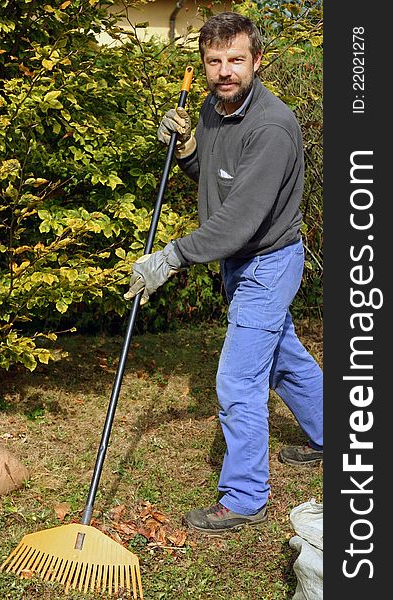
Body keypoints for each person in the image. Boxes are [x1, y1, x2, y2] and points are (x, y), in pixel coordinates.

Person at [124, 11, 323, 535]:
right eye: (214, 61)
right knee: (284, 359)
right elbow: (215, 178)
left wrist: (170, 257)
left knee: (238, 380)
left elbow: (240, 218)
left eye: (236, 59)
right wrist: (188, 148)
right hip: (243, 261)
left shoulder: (273, 126)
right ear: (204, 66)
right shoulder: (215, 111)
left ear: (258, 60)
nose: (224, 71)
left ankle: (244, 496)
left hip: (268, 262)